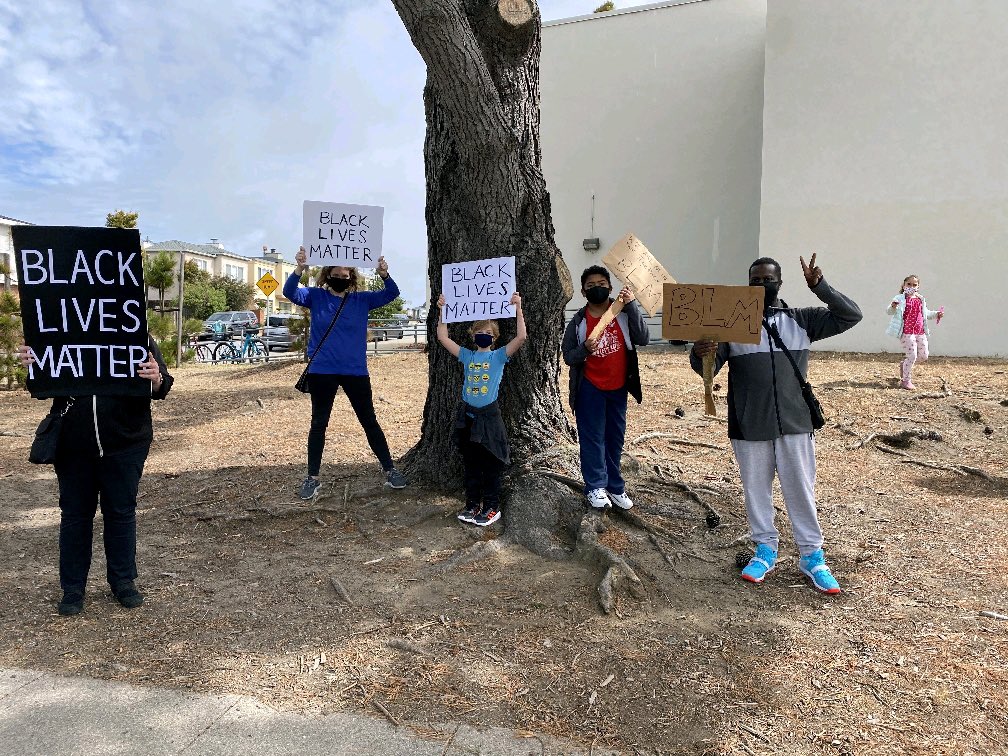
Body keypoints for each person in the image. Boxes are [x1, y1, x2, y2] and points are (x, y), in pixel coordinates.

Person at [691, 254, 862, 594]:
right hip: (749, 422)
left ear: (780, 282)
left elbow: (850, 315)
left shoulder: (801, 320)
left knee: (800, 489)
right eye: (756, 279)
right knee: (756, 490)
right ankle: (765, 549)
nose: (762, 285)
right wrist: (701, 351)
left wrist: (819, 286)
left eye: (768, 279)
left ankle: (812, 556)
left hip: (794, 421)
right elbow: (705, 369)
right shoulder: (731, 324)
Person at [17, 337, 173, 616]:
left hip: (126, 443)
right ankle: (73, 588)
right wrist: (32, 365)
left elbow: (161, 387)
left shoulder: (136, 333)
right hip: (73, 444)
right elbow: (40, 387)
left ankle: (123, 581)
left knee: (121, 512)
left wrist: (156, 377)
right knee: (75, 515)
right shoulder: (60, 335)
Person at [284, 247, 407, 499]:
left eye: (345, 274)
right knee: (319, 423)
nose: (341, 277)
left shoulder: (362, 300)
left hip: (355, 371)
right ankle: (312, 477)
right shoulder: (315, 296)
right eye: (336, 273)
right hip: (322, 371)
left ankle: (390, 469)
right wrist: (299, 268)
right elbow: (289, 292)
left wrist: (384, 273)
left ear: (352, 277)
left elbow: (392, 293)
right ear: (327, 274)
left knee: (369, 421)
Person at [562, 265, 649, 510]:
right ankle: (595, 486)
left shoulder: (621, 313)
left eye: (601, 284)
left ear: (610, 287)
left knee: (614, 438)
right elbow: (568, 355)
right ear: (583, 291)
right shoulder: (579, 320)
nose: (596, 288)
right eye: (590, 286)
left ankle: (614, 486)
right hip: (589, 387)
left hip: (619, 387)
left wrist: (631, 304)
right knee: (592, 439)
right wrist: (585, 350)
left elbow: (643, 338)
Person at [435, 291, 526, 526]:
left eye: (488, 333)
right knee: (472, 465)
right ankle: (473, 505)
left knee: (490, 464)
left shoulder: (498, 356)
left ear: (494, 338)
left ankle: (492, 506)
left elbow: (521, 337)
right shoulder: (466, 355)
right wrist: (443, 310)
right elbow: (443, 338)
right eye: (479, 332)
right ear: (472, 336)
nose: (483, 336)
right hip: (468, 418)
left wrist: (518, 308)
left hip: (490, 417)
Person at [885, 274, 944, 390]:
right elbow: (889, 312)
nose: (911, 286)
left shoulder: (920, 299)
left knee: (924, 356)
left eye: (914, 285)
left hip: (920, 332)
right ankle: (906, 381)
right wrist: (893, 306)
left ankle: (904, 365)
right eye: (909, 284)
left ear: (918, 287)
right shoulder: (899, 299)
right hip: (906, 332)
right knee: (912, 355)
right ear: (904, 285)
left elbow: (925, 313)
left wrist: (937, 314)